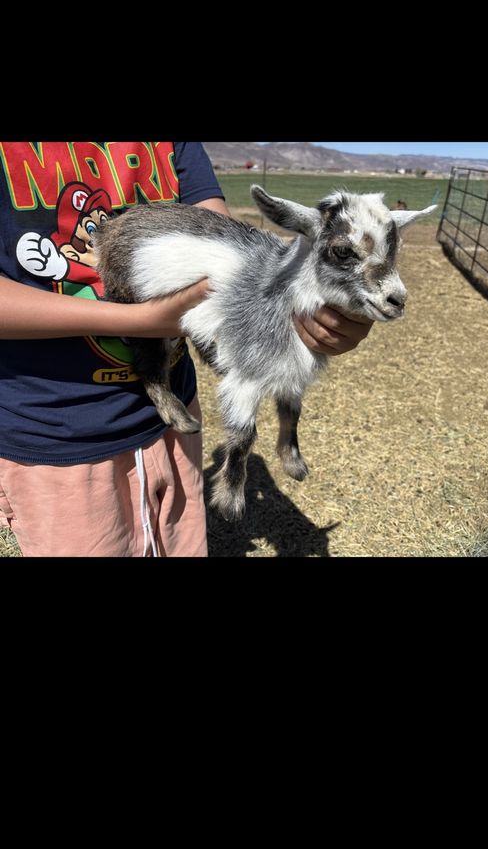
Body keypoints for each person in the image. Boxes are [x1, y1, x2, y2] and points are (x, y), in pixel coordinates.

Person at [0, 142, 372, 557]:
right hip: (58, 437)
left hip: (177, 427)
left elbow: (215, 229)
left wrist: (304, 303)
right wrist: (141, 321)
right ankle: (155, 383)